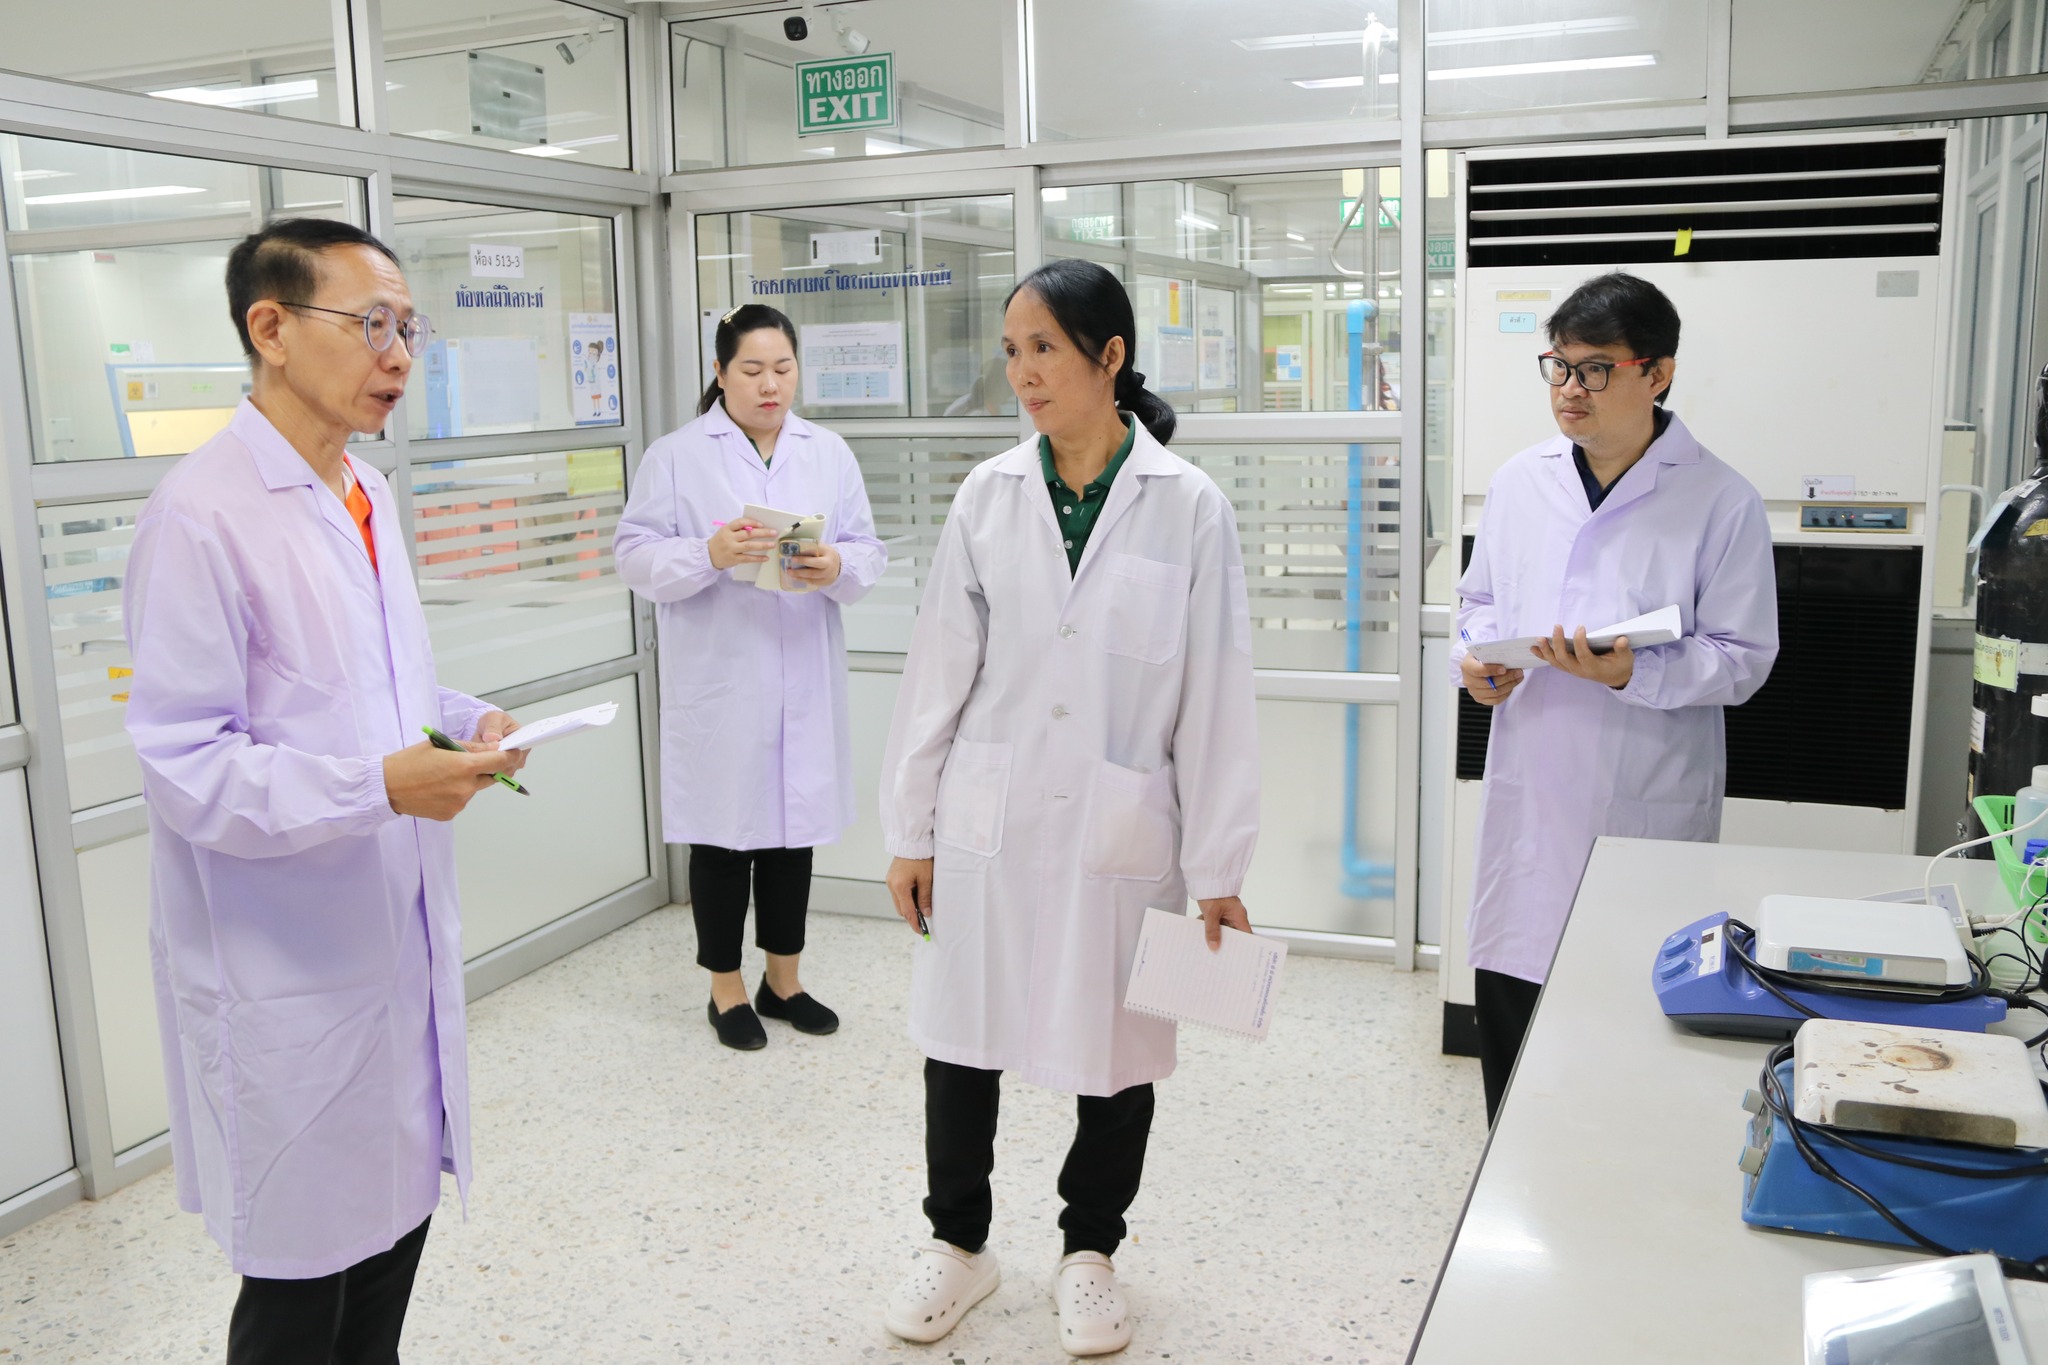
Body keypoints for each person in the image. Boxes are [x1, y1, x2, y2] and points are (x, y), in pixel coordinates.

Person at [122, 218, 529, 1364]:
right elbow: (186, 764)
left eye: (409, 329)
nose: (399, 356)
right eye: (372, 325)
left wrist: (461, 721)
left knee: (391, 1245)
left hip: (390, 940)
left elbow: (371, 681)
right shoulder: (201, 514)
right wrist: (376, 788)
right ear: (272, 328)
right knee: (302, 1287)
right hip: (286, 968)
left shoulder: (363, 492)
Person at [877, 258, 1259, 1358]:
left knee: (1119, 1046)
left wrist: (1220, 865)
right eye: (1011, 350)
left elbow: (1216, 695)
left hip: (1119, 822)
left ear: (1110, 356)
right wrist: (910, 831)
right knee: (960, 1034)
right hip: (986, 816)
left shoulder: (1188, 507)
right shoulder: (988, 495)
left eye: (1043, 347)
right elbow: (938, 672)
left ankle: (1090, 1251)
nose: (1022, 372)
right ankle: (958, 1242)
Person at [1451, 271, 1778, 1122]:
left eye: (1595, 369)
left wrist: (1633, 673)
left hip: (1644, 804)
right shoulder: (1520, 481)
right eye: (1559, 366)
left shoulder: (1721, 499)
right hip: (1529, 802)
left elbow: (1743, 659)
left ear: (1657, 373)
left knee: (1622, 1043)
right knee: (1514, 1034)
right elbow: (1478, 602)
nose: (1570, 388)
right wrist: (1474, 660)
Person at [614, 303, 885, 1051]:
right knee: (723, 837)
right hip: (721, 677)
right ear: (720, 371)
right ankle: (725, 990)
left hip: (803, 673)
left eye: (783, 368)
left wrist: (836, 564)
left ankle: (783, 982)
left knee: (793, 837)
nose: (771, 385)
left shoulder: (827, 451)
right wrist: (708, 554)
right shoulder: (676, 456)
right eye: (753, 369)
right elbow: (633, 555)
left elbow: (867, 549)